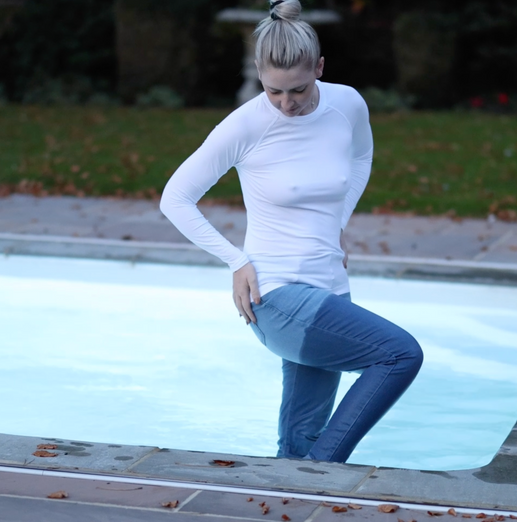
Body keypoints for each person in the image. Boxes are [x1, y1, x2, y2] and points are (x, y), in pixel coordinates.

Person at [160, 0, 423, 463]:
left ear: (319, 67)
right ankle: (326, 468)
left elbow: (361, 158)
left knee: (300, 439)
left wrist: (338, 223)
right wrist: (236, 260)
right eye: (273, 91)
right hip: (276, 294)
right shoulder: (246, 125)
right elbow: (175, 198)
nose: (286, 103)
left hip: (330, 287)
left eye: (298, 89)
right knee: (400, 355)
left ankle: (297, 485)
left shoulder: (347, 105)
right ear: (260, 75)